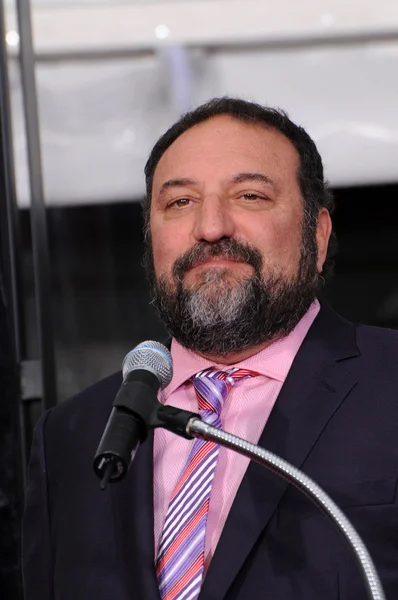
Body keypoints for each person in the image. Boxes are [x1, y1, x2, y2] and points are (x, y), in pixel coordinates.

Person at [22, 97, 398, 600]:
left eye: (249, 196)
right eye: (180, 202)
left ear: (319, 234)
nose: (211, 226)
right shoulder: (72, 436)